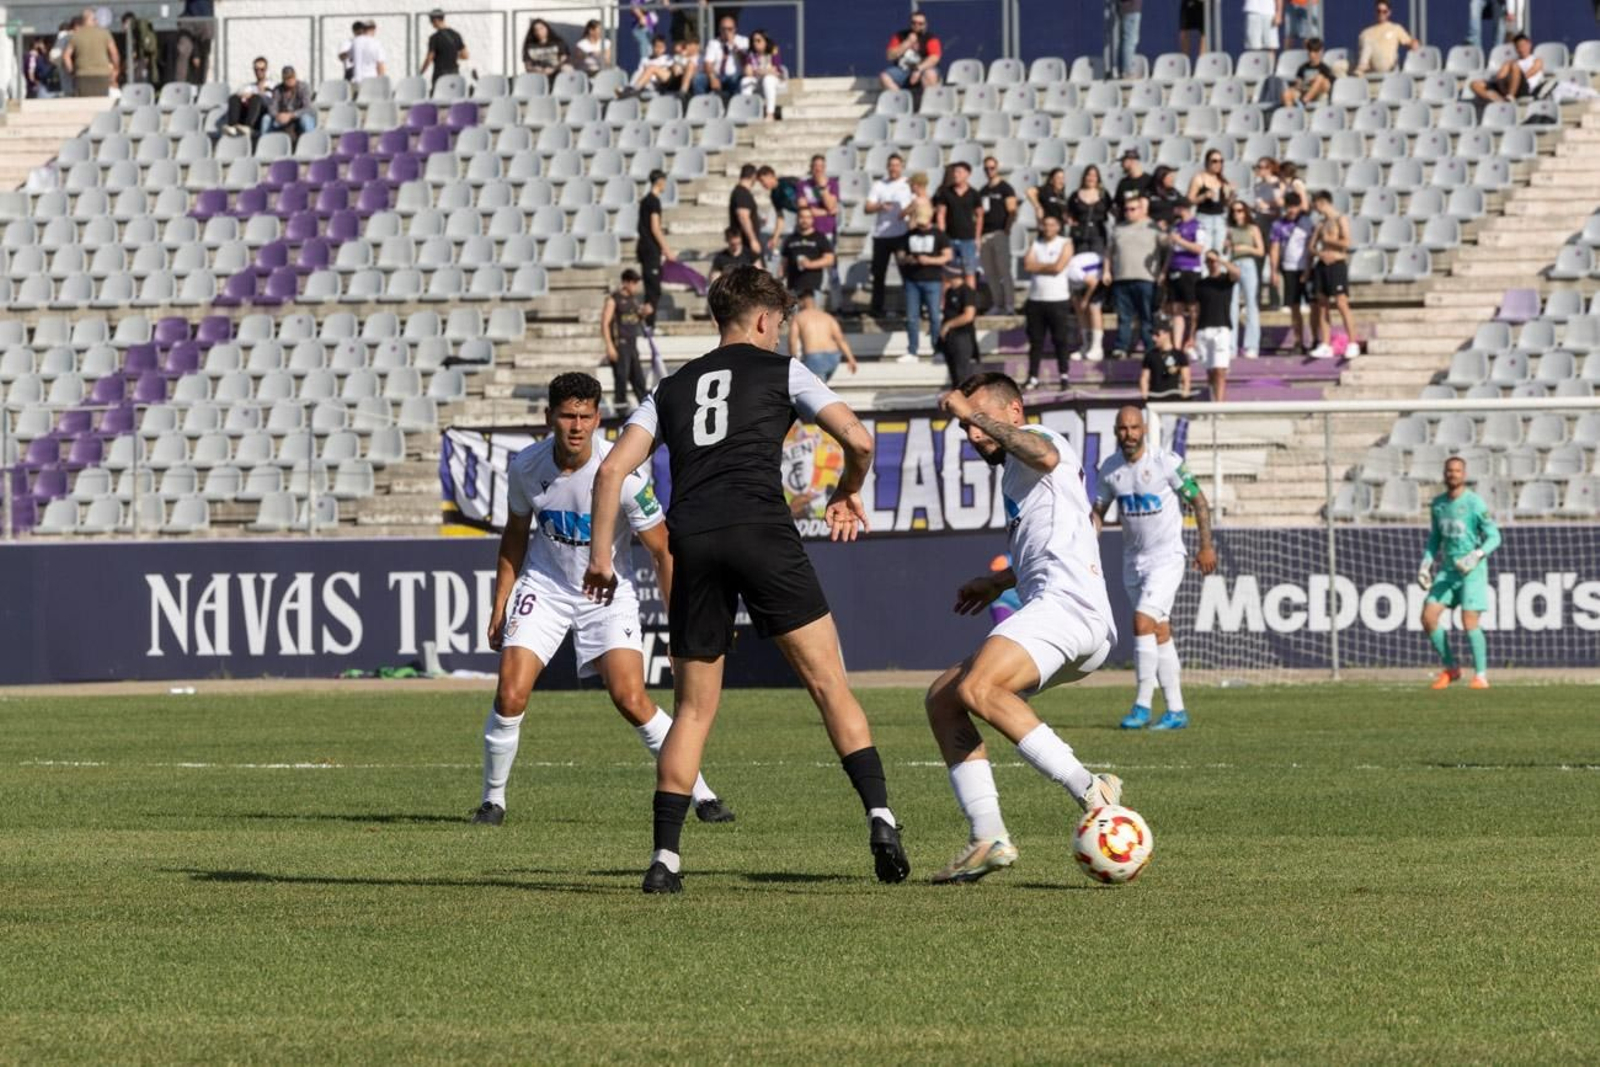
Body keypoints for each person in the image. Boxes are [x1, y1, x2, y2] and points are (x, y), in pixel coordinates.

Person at [583, 266, 909, 894]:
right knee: (827, 683)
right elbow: (859, 440)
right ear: (763, 319)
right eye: (782, 321)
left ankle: (665, 861)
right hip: (762, 530)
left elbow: (610, 473)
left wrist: (602, 557)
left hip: (694, 541)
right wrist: (847, 491)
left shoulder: (671, 386)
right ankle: (881, 817)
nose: (783, 331)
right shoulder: (784, 370)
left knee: (694, 710)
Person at [474, 372, 734, 828]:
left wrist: (680, 629)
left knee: (630, 697)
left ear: (597, 419)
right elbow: (514, 540)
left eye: (585, 416)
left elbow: (662, 551)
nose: (576, 426)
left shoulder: (623, 475)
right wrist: (500, 605)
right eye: (567, 415)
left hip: (607, 594)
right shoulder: (526, 468)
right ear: (549, 417)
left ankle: (702, 793)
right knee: (511, 692)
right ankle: (493, 801)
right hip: (545, 588)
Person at [922, 372, 1124, 885]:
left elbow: (1045, 453)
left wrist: (971, 412)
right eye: (967, 427)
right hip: (1064, 612)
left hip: (1069, 608)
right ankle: (988, 834)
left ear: (1014, 412)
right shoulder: (1018, 473)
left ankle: (1090, 788)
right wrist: (998, 581)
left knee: (978, 686)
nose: (973, 434)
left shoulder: (1044, 441)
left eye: (981, 421)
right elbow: (1061, 539)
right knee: (944, 698)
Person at [1092, 405, 1215, 731]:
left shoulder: (1166, 462)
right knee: (1159, 631)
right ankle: (1176, 710)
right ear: (1116, 431)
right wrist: (1086, 549)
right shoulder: (1109, 469)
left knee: (1142, 621)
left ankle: (1142, 705)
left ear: (1144, 430)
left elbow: (1199, 501)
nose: (1128, 435)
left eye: (1134, 428)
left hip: (1167, 557)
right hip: (1133, 561)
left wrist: (1205, 545)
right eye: (1122, 429)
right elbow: (1098, 513)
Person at [1419, 456, 1500, 691]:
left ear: (1464, 475)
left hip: (1471, 571)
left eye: (1457, 471)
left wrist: (1476, 555)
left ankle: (1481, 676)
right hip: (1448, 571)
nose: (1453, 474)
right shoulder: (1438, 505)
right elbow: (1435, 538)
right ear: (1444, 474)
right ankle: (1451, 668)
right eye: (1449, 471)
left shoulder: (1474, 503)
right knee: (1428, 617)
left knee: (1469, 620)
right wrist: (1425, 564)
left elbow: (1495, 537)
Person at [1107, 190, 1165, 359]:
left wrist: (1162, 272)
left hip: (1145, 278)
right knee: (1124, 317)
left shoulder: (1152, 227)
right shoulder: (1118, 228)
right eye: (1126, 209)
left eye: (1133, 209)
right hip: (1121, 277)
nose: (1129, 212)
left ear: (1142, 209)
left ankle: (1150, 347)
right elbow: (1109, 252)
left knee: (1146, 316)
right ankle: (1121, 347)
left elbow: (1167, 246)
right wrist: (1106, 270)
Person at [1021, 214, 1073, 390]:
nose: (1048, 228)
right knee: (1036, 341)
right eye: (1046, 225)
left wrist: (1039, 266)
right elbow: (1027, 265)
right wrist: (1047, 266)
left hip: (1057, 299)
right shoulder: (1036, 243)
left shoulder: (1065, 242)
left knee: (1060, 339)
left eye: (1052, 224)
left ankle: (1064, 376)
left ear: (1058, 226)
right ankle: (1033, 376)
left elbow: (1058, 268)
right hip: (1036, 299)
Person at [897, 203, 953, 365]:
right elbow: (900, 255)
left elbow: (947, 256)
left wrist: (929, 260)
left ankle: (938, 349)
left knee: (935, 317)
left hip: (933, 281)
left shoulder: (939, 235)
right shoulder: (909, 235)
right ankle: (912, 350)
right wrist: (909, 259)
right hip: (912, 281)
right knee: (912, 317)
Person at [1308, 189, 1361, 359]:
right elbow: (1311, 247)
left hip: (1337, 264)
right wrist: (1320, 254)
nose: (1314, 208)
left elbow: (1346, 242)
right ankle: (1325, 343)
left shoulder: (1340, 219)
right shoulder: (1321, 224)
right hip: (1322, 265)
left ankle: (1353, 342)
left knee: (1341, 303)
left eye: (1315, 204)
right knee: (1322, 305)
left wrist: (1328, 241)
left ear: (1322, 202)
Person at [1269, 192, 1316, 355]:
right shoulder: (1278, 225)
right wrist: (1273, 271)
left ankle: (1316, 339)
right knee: (1294, 307)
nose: (1292, 210)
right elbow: (1274, 248)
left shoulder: (1306, 222)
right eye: (1289, 206)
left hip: (1305, 267)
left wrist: (1309, 269)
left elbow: (1311, 246)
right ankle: (1298, 341)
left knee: (1313, 306)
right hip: (1289, 268)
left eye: (1295, 206)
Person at [865, 154, 913, 317]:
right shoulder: (879, 185)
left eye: (897, 165)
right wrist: (880, 206)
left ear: (902, 167)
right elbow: (867, 207)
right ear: (887, 167)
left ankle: (913, 308)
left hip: (901, 235)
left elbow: (917, 203)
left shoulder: (908, 184)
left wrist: (904, 213)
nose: (894, 168)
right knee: (879, 274)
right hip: (881, 236)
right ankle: (876, 309)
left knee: (906, 273)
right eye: (891, 165)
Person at [601, 269, 651, 412]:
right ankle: (620, 411)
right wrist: (609, 346)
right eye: (634, 283)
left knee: (639, 380)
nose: (636, 286)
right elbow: (605, 323)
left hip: (632, 344)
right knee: (621, 379)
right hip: (620, 344)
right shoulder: (613, 300)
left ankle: (647, 411)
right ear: (626, 282)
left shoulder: (633, 300)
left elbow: (635, 319)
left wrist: (644, 313)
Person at [1194, 250, 1241, 400]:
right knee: (1210, 372)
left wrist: (1220, 260)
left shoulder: (1225, 280)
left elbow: (1237, 273)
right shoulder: (1201, 284)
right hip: (1203, 329)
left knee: (1220, 370)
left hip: (1221, 328)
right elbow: (1196, 310)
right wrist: (1191, 335)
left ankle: (1219, 407)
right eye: (1208, 260)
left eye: (1213, 260)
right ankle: (1213, 402)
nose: (1211, 263)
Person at [977, 157, 1018, 314]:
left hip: (999, 232)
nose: (989, 171)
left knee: (1004, 270)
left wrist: (1006, 230)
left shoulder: (1006, 188)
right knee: (990, 272)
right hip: (985, 234)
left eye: (992, 168)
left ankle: (1009, 304)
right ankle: (997, 303)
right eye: (986, 169)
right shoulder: (983, 191)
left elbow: (1012, 211)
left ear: (997, 167)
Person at [933, 161, 983, 288]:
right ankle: (945, 305)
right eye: (954, 172)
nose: (956, 175)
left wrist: (977, 237)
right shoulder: (946, 193)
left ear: (967, 174)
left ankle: (970, 304)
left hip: (968, 239)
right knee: (947, 274)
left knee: (969, 273)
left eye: (959, 172)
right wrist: (942, 237)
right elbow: (941, 215)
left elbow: (979, 216)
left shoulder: (974, 194)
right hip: (950, 238)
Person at [788, 290, 857, 382]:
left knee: (817, 391)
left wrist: (794, 359)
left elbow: (793, 342)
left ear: (802, 302)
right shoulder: (827, 317)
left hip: (814, 356)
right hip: (833, 356)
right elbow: (840, 339)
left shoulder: (798, 317)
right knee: (820, 387)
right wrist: (851, 358)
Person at [1165, 198, 1205, 352]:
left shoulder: (1197, 226)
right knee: (1176, 308)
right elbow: (1171, 251)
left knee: (1193, 307)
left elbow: (1198, 249)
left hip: (1190, 271)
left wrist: (1180, 241)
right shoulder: (1175, 226)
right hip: (1175, 270)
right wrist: (1164, 271)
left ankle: (1192, 339)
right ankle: (1176, 345)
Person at [1225, 200, 1263, 360]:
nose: (1237, 214)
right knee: (1232, 306)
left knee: (1251, 305)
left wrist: (1246, 248)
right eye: (1234, 211)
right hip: (1233, 265)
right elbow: (1224, 250)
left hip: (1248, 263)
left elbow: (1261, 251)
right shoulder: (1229, 230)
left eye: (1240, 210)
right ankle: (1231, 346)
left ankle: (1251, 345)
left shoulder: (1253, 229)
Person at [637, 170, 672, 328]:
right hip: (650, 250)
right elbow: (655, 228)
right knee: (653, 290)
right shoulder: (653, 201)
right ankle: (647, 324)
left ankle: (647, 324)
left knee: (651, 288)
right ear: (659, 181)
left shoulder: (645, 200)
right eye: (664, 180)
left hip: (645, 249)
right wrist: (667, 249)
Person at [938, 264, 980, 385]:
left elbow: (968, 316)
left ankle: (964, 402)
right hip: (950, 338)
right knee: (955, 377)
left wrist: (948, 325)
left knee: (962, 376)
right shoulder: (950, 291)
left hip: (962, 337)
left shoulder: (967, 291)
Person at [781, 205, 835, 298]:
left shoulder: (820, 238)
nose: (804, 220)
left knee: (811, 311)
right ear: (797, 219)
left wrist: (810, 264)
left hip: (813, 286)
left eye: (808, 217)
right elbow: (784, 262)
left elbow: (830, 259)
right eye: (802, 217)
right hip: (794, 286)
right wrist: (780, 279)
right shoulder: (790, 239)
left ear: (812, 219)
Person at [1186, 149, 1233, 258]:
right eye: (1214, 161)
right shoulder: (1199, 178)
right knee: (1204, 251)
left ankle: (1219, 274)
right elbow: (1189, 200)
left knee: (1220, 252)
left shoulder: (1222, 180)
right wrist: (1203, 196)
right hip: (1204, 217)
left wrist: (1231, 194)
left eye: (1221, 161)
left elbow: (1226, 204)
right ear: (1207, 162)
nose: (1218, 164)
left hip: (1220, 218)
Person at [62, 8, 118, 97]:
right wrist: (115, 69)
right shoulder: (105, 33)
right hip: (102, 75)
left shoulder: (76, 35)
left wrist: (72, 72)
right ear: (94, 20)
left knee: (84, 106)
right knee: (101, 105)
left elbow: (66, 56)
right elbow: (114, 53)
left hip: (82, 76)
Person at [1471, 33, 1543, 102]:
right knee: (1475, 84)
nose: (1521, 49)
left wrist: (1510, 77)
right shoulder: (1510, 62)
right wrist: (1503, 86)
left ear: (1529, 44)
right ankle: (1499, 100)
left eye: (1523, 45)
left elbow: (1528, 74)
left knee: (1514, 66)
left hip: (1523, 89)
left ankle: (1510, 96)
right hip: (1506, 86)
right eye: (1518, 47)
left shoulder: (1536, 60)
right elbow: (1500, 77)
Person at [880, 11, 941, 92]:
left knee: (930, 74)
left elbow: (934, 58)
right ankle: (901, 100)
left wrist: (918, 69)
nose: (917, 26)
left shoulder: (930, 38)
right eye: (914, 23)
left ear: (925, 25)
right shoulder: (900, 36)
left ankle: (928, 102)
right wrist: (907, 43)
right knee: (884, 76)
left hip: (923, 69)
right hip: (903, 70)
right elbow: (889, 56)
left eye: (920, 23)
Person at [1355, 1, 1421, 75]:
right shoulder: (1366, 32)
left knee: (1369, 41)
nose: (1381, 14)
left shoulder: (1395, 28)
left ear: (1389, 13)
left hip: (1387, 66)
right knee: (1341, 65)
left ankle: (1361, 68)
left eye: (1384, 11)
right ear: (1375, 12)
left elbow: (1409, 41)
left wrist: (1414, 43)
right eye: (1378, 11)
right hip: (1371, 67)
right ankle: (1356, 74)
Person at [1066, 248, 1106, 362]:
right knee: (1079, 308)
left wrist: (1085, 299)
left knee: (1093, 307)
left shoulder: (1072, 271)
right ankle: (1086, 345)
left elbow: (1093, 282)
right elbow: (1073, 294)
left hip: (1098, 275)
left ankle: (1097, 348)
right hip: (1086, 281)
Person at [261, 66, 315, 143]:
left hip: (298, 117)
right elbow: (272, 108)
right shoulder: (278, 89)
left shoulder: (303, 87)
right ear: (283, 79)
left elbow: (308, 108)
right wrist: (278, 116)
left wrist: (291, 115)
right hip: (282, 118)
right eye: (287, 78)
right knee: (266, 118)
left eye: (292, 77)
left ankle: (311, 143)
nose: (290, 80)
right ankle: (265, 145)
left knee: (305, 119)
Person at [1067, 164, 1112, 257]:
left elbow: (1112, 210)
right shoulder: (1075, 195)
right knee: (1081, 261)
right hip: (1080, 234)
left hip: (1098, 234)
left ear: (1098, 178)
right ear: (1084, 177)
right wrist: (1070, 220)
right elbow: (1068, 212)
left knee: (1097, 261)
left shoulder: (1104, 194)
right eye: (1089, 175)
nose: (1091, 178)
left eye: (1094, 175)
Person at [1139, 319, 1191, 398]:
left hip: (1174, 399)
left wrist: (1184, 395)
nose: (1154, 338)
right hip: (1154, 399)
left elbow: (1186, 379)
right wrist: (1144, 396)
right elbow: (1144, 378)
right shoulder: (1150, 355)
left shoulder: (1179, 355)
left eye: (1157, 334)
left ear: (1167, 334)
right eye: (1153, 335)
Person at [703, 15, 748, 102]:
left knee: (739, 80)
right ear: (719, 30)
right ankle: (702, 104)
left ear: (735, 29)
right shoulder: (713, 43)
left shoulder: (743, 41)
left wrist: (734, 46)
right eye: (723, 29)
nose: (726, 32)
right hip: (717, 75)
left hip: (735, 75)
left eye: (730, 29)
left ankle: (736, 104)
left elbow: (746, 61)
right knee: (699, 79)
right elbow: (708, 63)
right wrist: (712, 78)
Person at [740, 28, 784, 118]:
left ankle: (770, 113)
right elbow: (749, 72)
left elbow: (776, 70)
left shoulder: (773, 51)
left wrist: (762, 71)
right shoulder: (751, 55)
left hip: (775, 80)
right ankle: (747, 112)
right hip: (758, 80)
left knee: (768, 79)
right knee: (745, 81)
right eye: (753, 41)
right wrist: (747, 69)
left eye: (758, 40)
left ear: (765, 41)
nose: (755, 43)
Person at [223, 56, 272, 136]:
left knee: (256, 98)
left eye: (262, 69)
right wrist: (243, 97)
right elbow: (241, 95)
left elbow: (271, 102)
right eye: (256, 69)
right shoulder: (249, 86)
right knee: (234, 98)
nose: (259, 72)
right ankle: (233, 125)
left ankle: (249, 126)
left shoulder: (272, 86)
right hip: (247, 113)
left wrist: (257, 94)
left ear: (266, 70)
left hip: (261, 116)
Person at [420, 9, 468, 88]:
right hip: (454, 73)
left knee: (439, 97)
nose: (432, 24)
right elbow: (465, 55)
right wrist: (452, 55)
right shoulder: (456, 35)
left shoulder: (434, 38)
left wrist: (421, 72)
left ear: (436, 20)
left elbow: (429, 58)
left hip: (440, 74)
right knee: (453, 96)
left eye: (431, 21)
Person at [1282, 37, 1334, 107]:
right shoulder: (1302, 68)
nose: (1312, 54)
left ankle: (1303, 102)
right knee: (1286, 94)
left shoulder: (1325, 68)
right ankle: (1291, 115)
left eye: (1315, 51)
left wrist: (1314, 81)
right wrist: (1300, 84)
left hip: (1319, 94)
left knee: (1320, 78)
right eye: (1310, 51)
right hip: (1305, 90)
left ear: (1320, 52)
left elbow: (1327, 86)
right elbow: (1298, 83)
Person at [728, 164, 764, 264]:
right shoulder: (742, 193)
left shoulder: (739, 192)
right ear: (753, 176)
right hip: (746, 245)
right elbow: (743, 217)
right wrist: (752, 240)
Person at [1113, 149, 1155, 221]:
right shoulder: (1123, 183)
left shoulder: (1150, 181)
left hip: (1145, 224)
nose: (1121, 165)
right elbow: (1117, 204)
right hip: (1126, 223)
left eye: (1123, 161)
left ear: (1132, 161)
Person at [1115, 0, 1142, 78]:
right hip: (1131, 9)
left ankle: (1122, 71)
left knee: (1125, 41)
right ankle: (1127, 72)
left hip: (1126, 9)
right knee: (1130, 41)